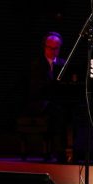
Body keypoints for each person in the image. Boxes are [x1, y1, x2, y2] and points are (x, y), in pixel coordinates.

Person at [24, 31, 71, 163]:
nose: (53, 51)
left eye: (56, 48)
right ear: (45, 47)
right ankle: (59, 151)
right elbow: (35, 89)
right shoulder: (37, 64)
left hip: (56, 102)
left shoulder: (63, 64)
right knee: (57, 113)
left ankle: (69, 150)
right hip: (39, 102)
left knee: (66, 112)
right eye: (50, 48)